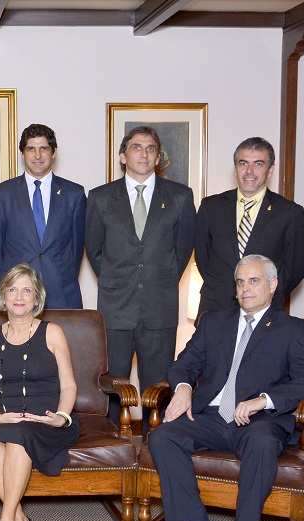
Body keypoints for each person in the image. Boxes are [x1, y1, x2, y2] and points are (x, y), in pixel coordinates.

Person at [147, 255, 304, 521]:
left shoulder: (290, 329)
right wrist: (183, 389)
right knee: (162, 436)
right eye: (240, 282)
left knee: (262, 443)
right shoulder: (214, 322)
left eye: (254, 281)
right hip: (212, 417)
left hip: (259, 421)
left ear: (272, 285)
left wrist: (264, 400)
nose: (245, 289)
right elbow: (184, 364)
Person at [86, 126, 196, 428]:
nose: (144, 154)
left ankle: (154, 447)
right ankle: (112, 446)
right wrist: (116, 280)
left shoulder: (180, 197)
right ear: (123, 156)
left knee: (157, 390)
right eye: (136, 147)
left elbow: (183, 251)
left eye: (150, 148)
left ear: (158, 157)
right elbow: (94, 251)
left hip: (160, 308)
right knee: (113, 388)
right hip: (115, 308)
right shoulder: (100, 198)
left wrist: (160, 279)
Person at [0, 264, 79, 521]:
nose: (19, 296)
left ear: (37, 298)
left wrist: (62, 416)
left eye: (26, 290)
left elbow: (69, 384)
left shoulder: (52, 332)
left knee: (18, 439)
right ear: (3, 297)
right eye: (12, 289)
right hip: (7, 418)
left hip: (46, 419)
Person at [195, 137, 304, 315]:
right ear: (235, 169)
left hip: (265, 310)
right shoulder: (211, 207)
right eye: (243, 163)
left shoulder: (289, 213)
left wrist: (269, 293)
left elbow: (296, 266)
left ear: (270, 170)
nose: (249, 171)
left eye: (258, 164)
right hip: (215, 308)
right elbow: (203, 257)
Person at [0, 123, 86, 309]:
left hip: (62, 295)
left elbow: (76, 249)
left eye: (44, 149)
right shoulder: (3, 194)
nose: (38, 155)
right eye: (31, 149)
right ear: (22, 153)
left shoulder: (74, 194)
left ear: (54, 152)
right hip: (15, 295)